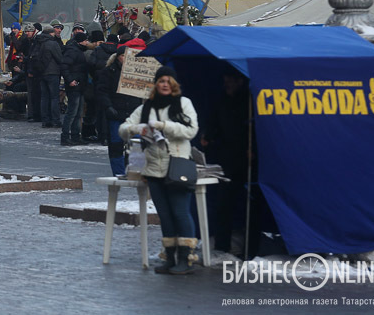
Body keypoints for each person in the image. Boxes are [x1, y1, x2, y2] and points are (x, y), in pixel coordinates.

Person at [120, 66, 200, 275]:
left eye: (168, 81)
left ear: (174, 85)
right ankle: (170, 257)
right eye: (161, 81)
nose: (164, 84)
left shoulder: (183, 104)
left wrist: (164, 125)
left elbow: (190, 131)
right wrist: (138, 129)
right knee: (165, 215)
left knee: (180, 212)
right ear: (156, 84)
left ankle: (186, 258)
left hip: (177, 166)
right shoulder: (147, 107)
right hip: (154, 170)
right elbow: (123, 129)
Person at [203, 68, 260, 258]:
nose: (227, 85)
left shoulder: (249, 101)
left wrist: (254, 149)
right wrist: (208, 136)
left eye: (231, 81)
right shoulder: (222, 100)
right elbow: (215, 124)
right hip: (227, 158)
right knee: (223, 203)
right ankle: (222, 246)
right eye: (226, 81)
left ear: (240, 82)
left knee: (250, 205)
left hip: (248, 158)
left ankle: (251, 249)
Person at [96, 46, 142, 174]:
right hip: (116, 113)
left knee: (137, 144)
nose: (125, 58)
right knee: (116, 145)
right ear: (118, 57)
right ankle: (119, 173)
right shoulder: (108, 72)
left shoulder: (136, 73)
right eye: (123, 56)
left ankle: (135, 171)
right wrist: (108, 106)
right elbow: (102, 91)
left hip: (133, 114)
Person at [59, 32, 90, 146]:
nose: (87, 43)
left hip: (79, 84)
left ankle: (76, 136)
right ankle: (66, 136)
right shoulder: (73, 51)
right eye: (86, 41)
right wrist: (70, 80)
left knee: (78, 112)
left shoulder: (78, 50)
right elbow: (64, 66)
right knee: (72, 112)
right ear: (81, 41)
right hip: (75, 85)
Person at [37, 26, 62, 128]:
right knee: (54, 97)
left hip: (41, 72)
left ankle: (45, 120)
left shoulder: (38, 42)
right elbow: (59, 58)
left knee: (44, 97)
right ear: (51, 33)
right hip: (52, 72)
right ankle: (55, 120)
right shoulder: (52, 43)